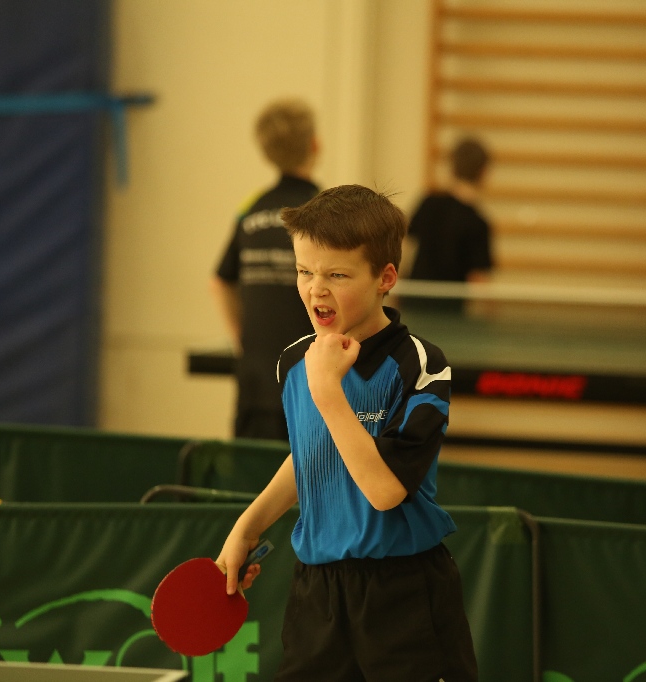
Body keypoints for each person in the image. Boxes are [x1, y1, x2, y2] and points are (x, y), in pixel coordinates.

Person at [216, 185, 479, 681]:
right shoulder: (295, 362)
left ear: (385, 278)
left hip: (402, 593)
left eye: (337, 275)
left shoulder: (420, 365)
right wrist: (246, 528)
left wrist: (328, 392)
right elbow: (312, 454)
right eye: (304, 271)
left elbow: (384, 490)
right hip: (317, 594)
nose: (316, 289)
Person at [212, 99, 320, 441]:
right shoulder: (325, 211)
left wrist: (241, 339)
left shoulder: (251, 210)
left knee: (252, 472)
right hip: (311, 383)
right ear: (315, 145)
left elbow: (219, 280)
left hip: (255, 381)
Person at [406, 136, 493, 285]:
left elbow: (404, 250)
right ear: (483, 172)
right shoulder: (478, 223)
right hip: (451, 300)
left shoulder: (428, 203)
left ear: (453, 167)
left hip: (414, 296)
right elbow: (479, 279)